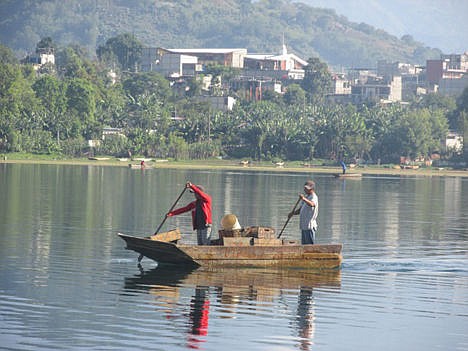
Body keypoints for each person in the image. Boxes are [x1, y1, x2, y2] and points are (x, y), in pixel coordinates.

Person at [288, 180, 318, 244]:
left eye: (306, 189)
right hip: (304, 226)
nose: (305, 190)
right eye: (305, 188)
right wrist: (292, 213)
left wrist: (303, 199)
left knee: (309, 246)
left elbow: (312, 204)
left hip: (309, 226)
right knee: (304, 246)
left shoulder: (313, 197)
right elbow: (300, 210)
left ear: (311, 189)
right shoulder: (307, 197)